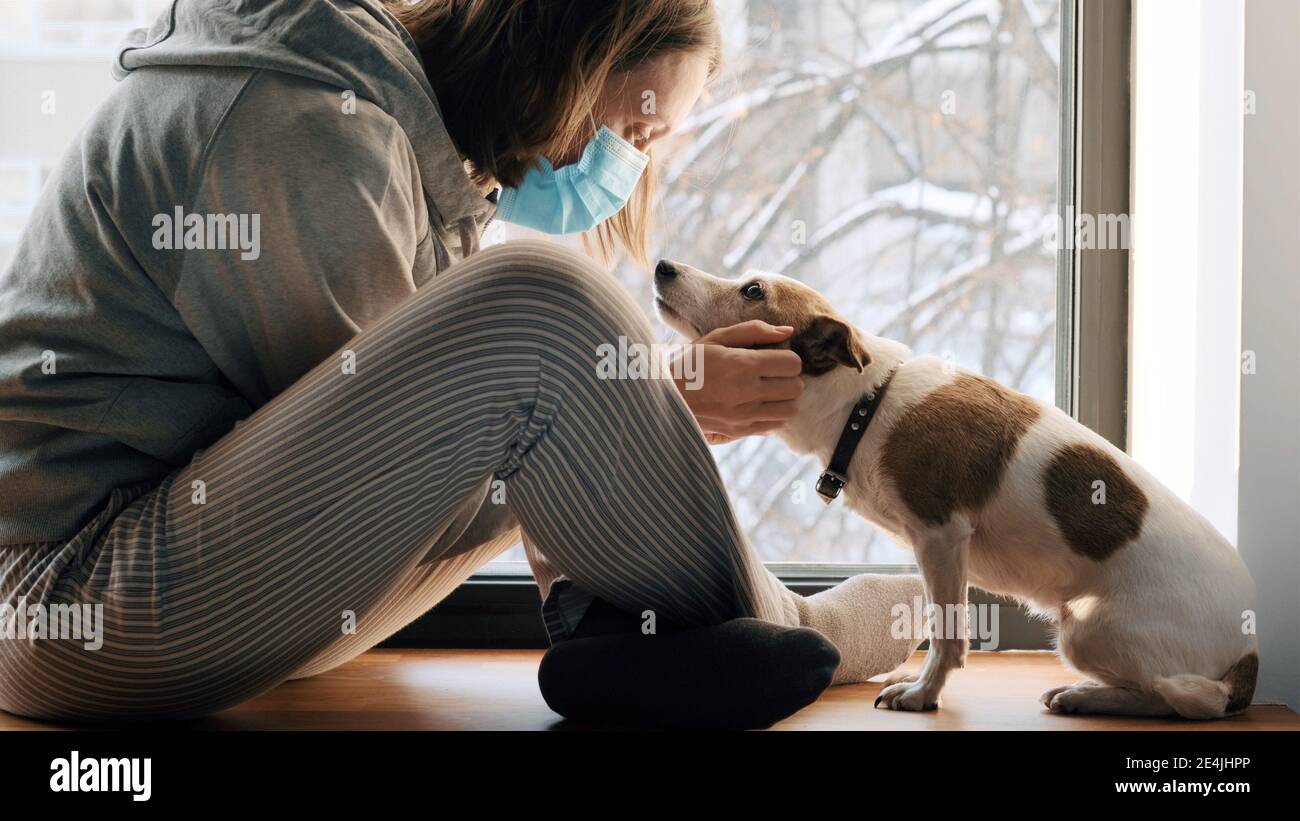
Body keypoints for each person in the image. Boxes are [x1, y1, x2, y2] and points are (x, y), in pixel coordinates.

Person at [0, 0, 920, 729]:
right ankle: (807, 635)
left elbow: (434, 449)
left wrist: (626, 409)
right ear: (570, 62)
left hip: (161, 581)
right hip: (66, 599)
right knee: (544, 302)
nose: (630, 169)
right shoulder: (303, 124)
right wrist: (657, 397)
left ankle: (617, 637)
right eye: (634, 134)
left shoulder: (395, 143)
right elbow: (407, 465)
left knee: (552, 328)